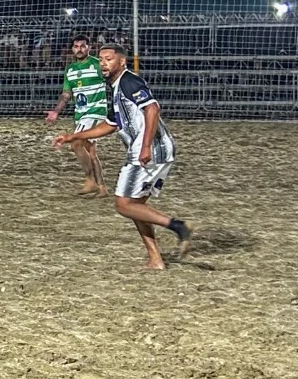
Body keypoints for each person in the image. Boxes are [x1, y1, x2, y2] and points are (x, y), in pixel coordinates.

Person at [54, 42, 193, 270]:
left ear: (121, 61)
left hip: (148, 150)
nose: (103, 63)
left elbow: (153, 109)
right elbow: (109, 125)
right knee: (136, 206)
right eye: (100, 59)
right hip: (150, 149)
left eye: (108, 59)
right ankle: (156, 260)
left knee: (123, 204)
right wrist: (72, 136)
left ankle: (178, 226)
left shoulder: (129, 81)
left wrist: (146, 146)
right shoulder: (116, 88)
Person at [45, 34, 109, 196]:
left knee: (76, 144)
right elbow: (66, 94)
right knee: (90, 151)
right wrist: (56, 111)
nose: (79, 49)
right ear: (72, 49)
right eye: (76, 46)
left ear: (89, 47)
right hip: (81, 114)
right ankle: (102, 188)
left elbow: (113, 79)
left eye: (82, 46)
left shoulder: (97, 64)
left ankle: (90, 180)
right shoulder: (71, 69)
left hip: (96, 111)